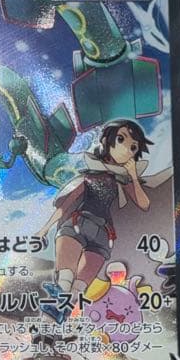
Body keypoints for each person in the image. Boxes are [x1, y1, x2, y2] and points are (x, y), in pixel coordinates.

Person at [36, 119, 152, 321]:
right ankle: (44, 326)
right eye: (121, 139)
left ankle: (51, 329)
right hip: (77, 224)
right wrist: (45, 228)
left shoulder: (122, 179)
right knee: (64, 281)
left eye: (133, 147)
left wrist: (133, 176)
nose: (127, 149)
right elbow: (66, 204)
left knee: (77, 290)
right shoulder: (88, 175)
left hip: (103, 235)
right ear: (107, 141)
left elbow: (144, 204)